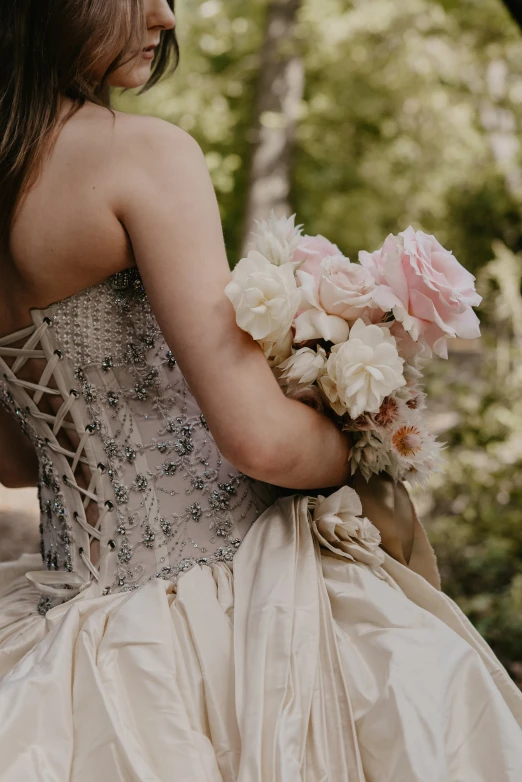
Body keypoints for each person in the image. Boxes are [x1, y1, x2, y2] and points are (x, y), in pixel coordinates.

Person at [0, 1, 520, 779]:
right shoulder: (140, 156)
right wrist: (369, 439)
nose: (167, 16)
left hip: (72, 627)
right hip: (228, 608)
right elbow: (256, 439)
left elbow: (15, 460)